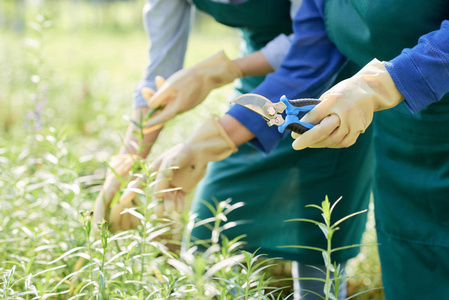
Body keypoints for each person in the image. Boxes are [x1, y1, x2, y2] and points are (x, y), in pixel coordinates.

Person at [93, 1, 374, 299]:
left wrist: (221, 77)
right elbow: (157, 81)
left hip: (330, 90)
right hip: (257, 89)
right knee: (208, 237)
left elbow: (317, 40)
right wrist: (127, 158)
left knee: (318, 244)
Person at [251, 0, 447, 299]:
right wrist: (216, 135)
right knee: (412, 268)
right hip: (402, 145)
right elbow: (308, 56)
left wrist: (385, 82)